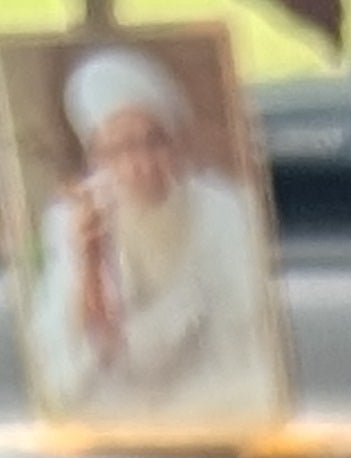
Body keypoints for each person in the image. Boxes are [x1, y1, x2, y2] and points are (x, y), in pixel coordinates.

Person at [20, 44, 282, 432]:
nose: (140, 163)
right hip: (120, 411)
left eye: (153, 141)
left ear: (175, 141)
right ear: (97, 158)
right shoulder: (73, 219)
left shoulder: (226, 209)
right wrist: (91, 261)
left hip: (212, 399)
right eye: (119, 149)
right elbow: (68, 355)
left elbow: (249, 334)